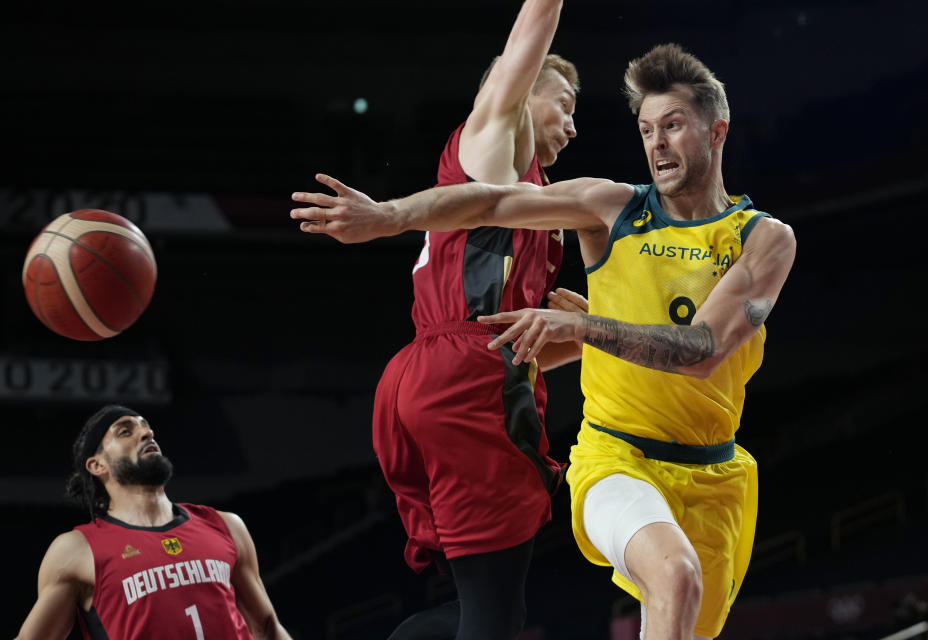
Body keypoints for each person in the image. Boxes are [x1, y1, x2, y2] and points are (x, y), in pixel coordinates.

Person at [290, 43, 797, 640]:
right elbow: (491, 201)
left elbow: (704, 350)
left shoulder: (763, 239)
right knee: (675, 576)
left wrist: (585, 329)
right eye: (646, 129)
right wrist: (390, 216)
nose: (656, 143)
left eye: (673, 126)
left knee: (677, 615)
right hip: (616, 459)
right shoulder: (612, 206)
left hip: (715, 475)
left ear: (717, 130)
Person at [296, 2, 581, 639]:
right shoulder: (494, 138)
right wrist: (389, 216)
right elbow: (532, 29)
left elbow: (512, 344)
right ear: (520, 86)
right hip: (463, 382)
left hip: (427, 376)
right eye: (564, 102)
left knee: (490, 609)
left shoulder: (531, 200)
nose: (572, 123)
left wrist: (584, 337)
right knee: (494, 615)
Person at [14, 405, 293, 640]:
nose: (147, 432)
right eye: (126, 431)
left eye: (145, 426)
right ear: (97, 465)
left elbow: (268, 627)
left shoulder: (226, 525)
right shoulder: (76, 551)